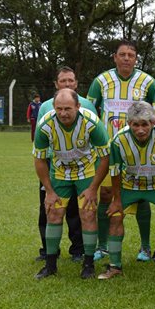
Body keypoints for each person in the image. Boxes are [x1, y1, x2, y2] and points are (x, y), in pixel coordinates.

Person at [88, 40, 155, 264]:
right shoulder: (101, 81)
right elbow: (90, 112)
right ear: (115, 57)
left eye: (131, 55)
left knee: (141, 195)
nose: (126, 58)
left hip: (138, 149)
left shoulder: (148, 82)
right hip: (109, 149)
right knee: (106, 194)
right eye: (122, 54)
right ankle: (102, 246)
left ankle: (145, 247)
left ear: (136, 58)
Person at [99, 102, 155, 281]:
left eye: (145, 124)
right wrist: (117, 200)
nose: (140, 130)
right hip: (130, 185)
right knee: (115, 216)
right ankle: (115, 266)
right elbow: (114, 171)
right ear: (129, 123)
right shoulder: (119, 140)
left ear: (153, 123)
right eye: (135, 125)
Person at [32, 89, 110, 280]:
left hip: (86, 170)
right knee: (54, 213)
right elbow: (39, 159)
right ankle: (50, 265)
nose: (63, 113)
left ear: (78, 106)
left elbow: (105, 158)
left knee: (88, 213)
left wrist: (93, 188)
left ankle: (88, 264)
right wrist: (49, 191)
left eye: (68, 108)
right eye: (59, 109)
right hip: (60, 171)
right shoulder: (45, 125)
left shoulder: (91, 122)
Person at [33, 68, 90, 263]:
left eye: (70, 80)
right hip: (53, 162)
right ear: (56, 84)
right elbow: (40, 137)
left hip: (80, 164)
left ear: (76, 83)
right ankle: (48, 250)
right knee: (49, 205)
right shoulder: (45, 107)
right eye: (63, 81)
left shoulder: (87, 105)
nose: (67, 84)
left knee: (76, 208)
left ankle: (78, 250)